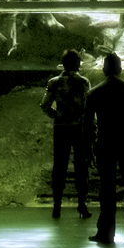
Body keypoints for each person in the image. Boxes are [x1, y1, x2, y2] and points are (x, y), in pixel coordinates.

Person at [84, 52, 124, 245]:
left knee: (107, 189)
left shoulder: (94, 93)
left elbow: (88, 126)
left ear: (104, 70)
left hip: (105, 144)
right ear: (120, 69)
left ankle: (106, 233)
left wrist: (88, 150)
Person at [40, 49, 92, 219]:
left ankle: (57, 206)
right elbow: (88, 108)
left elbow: (44, 105)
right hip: (79, 128)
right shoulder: (83, 82)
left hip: (61, 128)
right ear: (77, 64)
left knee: (59, 166)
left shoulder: (54, 82)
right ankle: (82, 204)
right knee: (81, 167)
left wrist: (56, 115)